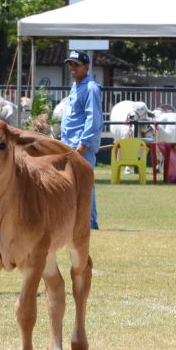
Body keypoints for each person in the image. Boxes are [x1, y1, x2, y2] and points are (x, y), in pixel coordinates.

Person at [58, 50, 104, 229]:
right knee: (70, 183)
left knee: (84, 183)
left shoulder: (91, 87)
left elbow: (94, 118)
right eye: (70, 64)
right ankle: (74, 221)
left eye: (76, 65)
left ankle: (90, 222)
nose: (72, 68)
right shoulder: (76, 85)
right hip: (68, 142)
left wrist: (83, 143)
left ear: (86, 67)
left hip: (80, 145)